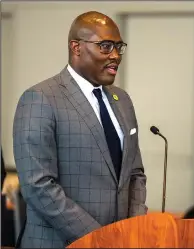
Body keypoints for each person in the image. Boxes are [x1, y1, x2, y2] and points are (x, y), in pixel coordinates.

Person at [13, 11, 147, 248]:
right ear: (76, 47)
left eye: (118, 47)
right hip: (61, 242)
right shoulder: (40, 98)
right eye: (105, 46)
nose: (115, 55)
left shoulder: (122, 100)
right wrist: (99, 239)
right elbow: (38, 186)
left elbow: (134, 174)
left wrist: (133, 228)